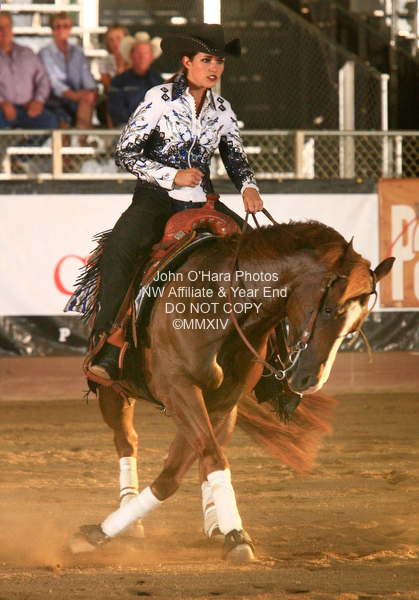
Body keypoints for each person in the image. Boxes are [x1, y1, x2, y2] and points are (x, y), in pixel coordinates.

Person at [87, 23, 263, 382]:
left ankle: (270, 358)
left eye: (219, 61)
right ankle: (110, 343)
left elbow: (236, 158)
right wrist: (172, 175)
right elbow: (125, 153)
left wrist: (248, 187)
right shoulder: (159, 97)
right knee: (120, 248)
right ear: (187, 61)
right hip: (155, 198)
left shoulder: (223, 109)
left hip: (203, 202)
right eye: (206, 60)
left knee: (257, 255)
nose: (214, 67)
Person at [40, 12, 97, 131]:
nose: (61, 29)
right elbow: (53, 83)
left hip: (76, 99)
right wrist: (76, 95)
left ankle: (81, 141)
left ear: (70, 29)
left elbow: (87, 78)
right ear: (52, 29)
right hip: (54, 101)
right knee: (63, 120)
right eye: (57, 26)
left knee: (87, 100)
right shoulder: (45, 53)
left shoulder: (78, 52)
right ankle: (67, 141)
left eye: (65, 26)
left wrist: (90, 93)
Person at [0, 13, 58, 129]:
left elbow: (43, 79)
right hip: (2, 109)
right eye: (0, 27)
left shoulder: (27, 53)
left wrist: (38, 101)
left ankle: (22, 142)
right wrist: (2, 103)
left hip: (28, 109)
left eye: (7, 26)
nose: (4, 31)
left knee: (50, 122)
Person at [107, 31, 164, 127]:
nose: (142, 57)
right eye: (138, 53)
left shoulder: (159, 82)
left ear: (151, 56)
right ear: (131, 55)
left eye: (146, 53)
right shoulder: (119, 81)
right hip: (127, 129)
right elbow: (116, 112)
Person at [96, 24, 130, 127]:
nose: (115, 43)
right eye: (111, 40)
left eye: (118, 38)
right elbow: (109, 88)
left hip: (132, 95)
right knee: (113, 101)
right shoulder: (104, 62)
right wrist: (120, 69)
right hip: (112, 97)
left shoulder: (134, 58)